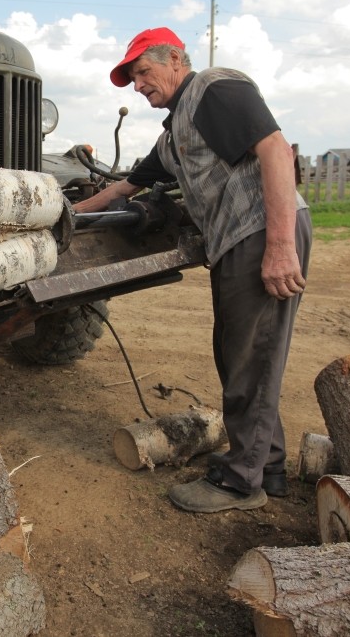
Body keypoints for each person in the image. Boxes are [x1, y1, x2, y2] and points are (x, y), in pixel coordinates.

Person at [75, 27, 312, 513]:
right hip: (236, 243)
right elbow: (126, 188)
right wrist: (69, 215)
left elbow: (274, 151)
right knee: (239, 355)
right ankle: (266, 465)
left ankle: (241, 483)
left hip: (261, 232)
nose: (138, 85)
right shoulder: (176, 132)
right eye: (132, 78)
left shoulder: (214, 89)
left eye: (144, 71)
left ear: (176, 60)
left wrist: (281, 245)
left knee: (250, 357)